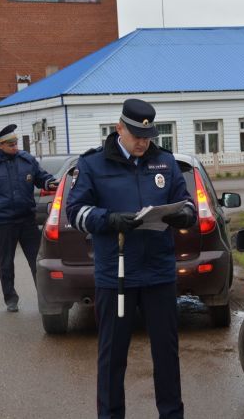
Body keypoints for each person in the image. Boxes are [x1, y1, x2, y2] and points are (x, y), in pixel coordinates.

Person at [66, 98, 196, 419]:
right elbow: (75, 212)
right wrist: (109, 220)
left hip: (159, 274)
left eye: (148, 135)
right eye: (136, 134)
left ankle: (172, 414)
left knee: (166, 354)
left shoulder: (165, 162)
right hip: (117, 276)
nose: (142, 141)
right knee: (112, 357)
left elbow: (188, 205)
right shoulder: (93, 165)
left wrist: (182, 217)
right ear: (119, 127)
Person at [0, 124, 59, 312]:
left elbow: (41, 177)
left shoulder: (26, 160)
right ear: (1, 145)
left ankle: (44, 297)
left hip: (27, 219)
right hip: (4, 222)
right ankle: (10, 298)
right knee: (6, 263)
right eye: (11, 145)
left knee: (38, 261)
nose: (16, 147)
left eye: (16, 143)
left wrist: (51, 182)